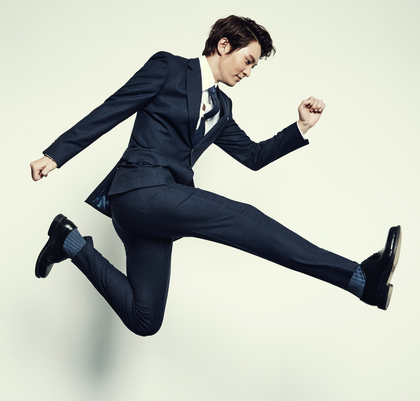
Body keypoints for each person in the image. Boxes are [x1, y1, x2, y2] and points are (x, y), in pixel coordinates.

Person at [30, 16, 401, 336]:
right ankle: (359, 278)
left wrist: (300, 127)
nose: (248, 71)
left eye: (254, 66)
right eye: (248, 60)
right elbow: (114, 107)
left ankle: (69, 242)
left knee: (145, 319)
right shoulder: (169, 68)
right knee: (245, 217)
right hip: (139, 190)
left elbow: (253, 156)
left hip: (154, 214)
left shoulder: (222, 108)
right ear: (224, 45)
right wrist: (56, 155)